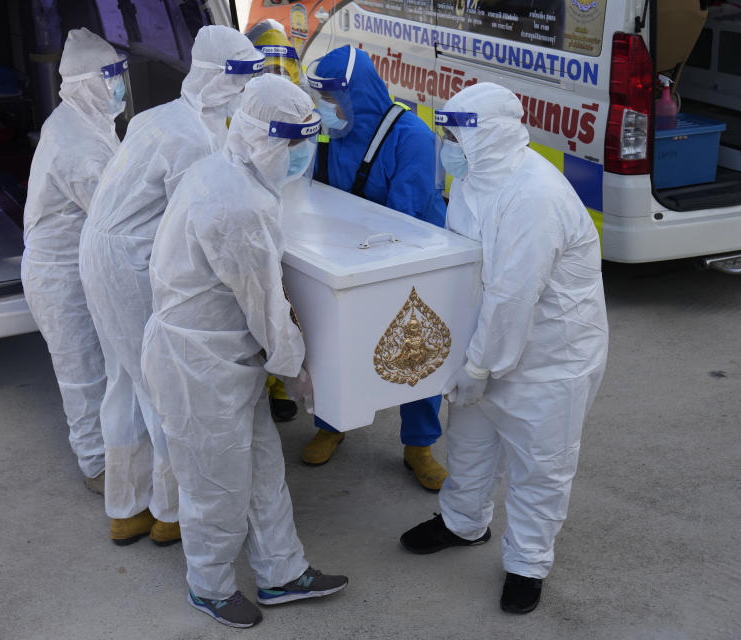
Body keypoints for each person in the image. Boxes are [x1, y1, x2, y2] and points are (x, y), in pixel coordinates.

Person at [140, 73, 348, 629]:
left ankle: (283, 573)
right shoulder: (237, 205)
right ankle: (208, 585)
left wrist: (279, 362)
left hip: (227, 358)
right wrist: (297, 369)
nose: (303, 155)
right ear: (263, 140)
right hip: (197, 365)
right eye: (294, 145)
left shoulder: (227, 170)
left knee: (261, 468)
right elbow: (266, 308)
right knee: (216, 484)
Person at [399, 83, 609, 615]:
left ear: (486, 135)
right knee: (469, 444)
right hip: (487, 347)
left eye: (454, 134)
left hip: (550, 360)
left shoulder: (533, 196)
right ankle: (464, 523)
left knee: (541, 467)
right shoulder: (474, 178)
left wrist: (479, 365)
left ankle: (527, 564)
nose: (446, 143)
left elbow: (514, 295)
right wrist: (470, 360)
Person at [79, 26, 264, 548]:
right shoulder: (196, 139)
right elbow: (197, 228)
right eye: (241, 76)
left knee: (125, 377)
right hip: (133, 261)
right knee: (160, 384)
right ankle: (168, 511)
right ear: (214, 76)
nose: (247, 87)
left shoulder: (160, 115)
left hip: (101, 249)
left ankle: (126, 507)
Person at [303, 45, 449, 490]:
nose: (326, 109)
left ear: (357, 94)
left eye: (332, 99)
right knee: (334, 344)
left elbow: (402, 216)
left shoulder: (412, 137)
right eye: (321, 100)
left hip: (411, 260)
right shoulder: (327, 134)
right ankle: (332, 423)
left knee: (418, 349)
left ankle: (419, 445)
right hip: (344, 259)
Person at [21, 28, 128, 496]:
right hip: (58, 277)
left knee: (103, 364)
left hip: (80, 263)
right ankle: (96, 467)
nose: (120, 84)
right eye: (111, 76)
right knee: (81, 371)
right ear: (86, 83)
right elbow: (119, 212)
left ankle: (116, 452)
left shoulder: (88, 119)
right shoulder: (77, 144)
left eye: (119, 72)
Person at [249, 22, 306, 423]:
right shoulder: (245, 112)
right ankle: (270, 382)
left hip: (291, 211)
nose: (276, 71)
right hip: (257, 213)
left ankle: (283, 379)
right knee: (260, 298)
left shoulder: (303, 105)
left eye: (283, 64)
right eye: (268, 63)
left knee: (286, 301)